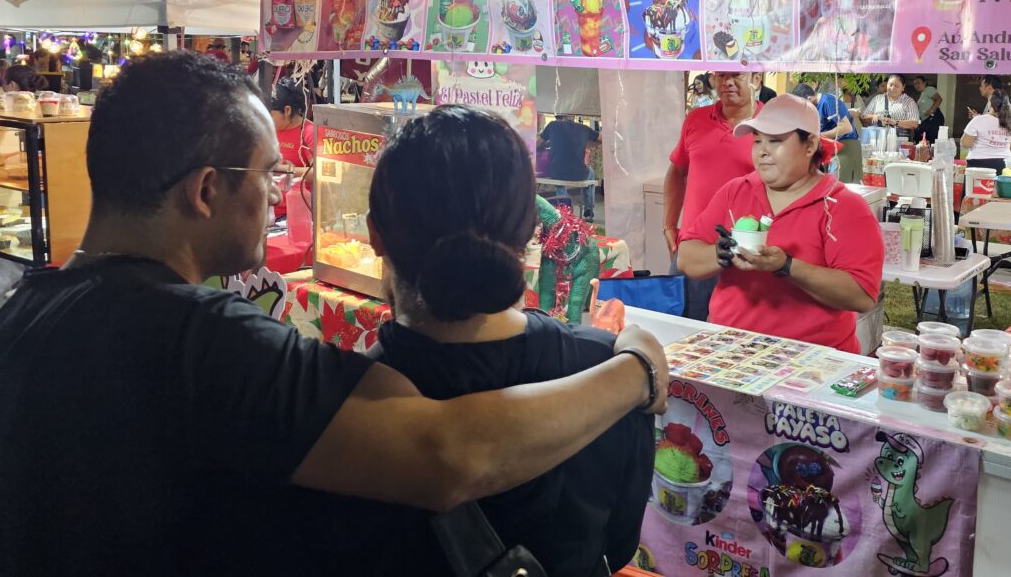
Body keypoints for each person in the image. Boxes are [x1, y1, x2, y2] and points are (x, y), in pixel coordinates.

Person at [0, 52, 669, 575]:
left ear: (377, 235)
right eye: (269, 173)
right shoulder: (203, 340)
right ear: (206, 190)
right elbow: (448, 453)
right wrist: (631, 369)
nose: (278, 191)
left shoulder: (18, 310)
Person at [340, 106, 652, 575]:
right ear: (530, 232)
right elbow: (620, 545)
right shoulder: (616, 369)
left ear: (374, 234)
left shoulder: (339, 405)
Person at [677, 95, 882, 352]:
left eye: (775, 141)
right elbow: (686, 258)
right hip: (731, 351)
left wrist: (786, 266)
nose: (762, 151)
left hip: (812, 358)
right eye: (757, 141)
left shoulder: (842, 206)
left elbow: (862, 295)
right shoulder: (735, 192)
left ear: (810, 145)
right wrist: (722, 253)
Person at [664, 71, 760, 321]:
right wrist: (669, 225)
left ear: (756, 79)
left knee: (736, 335)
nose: (728, 82)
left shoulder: (769, 127)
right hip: (693, 249)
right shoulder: (696, 119)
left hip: (743, 253)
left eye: (736, 75)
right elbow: (677, 171)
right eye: (721, 75)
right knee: (682, 328)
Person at [793, 82, 861, 184]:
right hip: (830, 148)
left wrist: (819, 135)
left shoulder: (828, 102)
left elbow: (846, 127)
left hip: (845, 147)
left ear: (808, 99)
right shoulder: (815, 107)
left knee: (838, 186)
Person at [269, 79, 316, 220]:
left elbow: (319, 172)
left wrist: (281, 169)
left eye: (271, 114)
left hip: (292, 214)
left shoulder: (309, 132)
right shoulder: (270, 130)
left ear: (287, 110)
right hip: (268, 209)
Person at [539, 114, 600, 220]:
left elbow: (537, 143)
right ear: (574, 116)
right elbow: (602, 138)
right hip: (578, 173)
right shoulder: (584, 128)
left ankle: (566, 207)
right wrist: (583, 144)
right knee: (590, 172)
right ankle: (588, 210)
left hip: (556, 173)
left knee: (559, 177)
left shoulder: (552, 125)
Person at [962, 89, 1011, 173]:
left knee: (975, 182)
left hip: (978, 164)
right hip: (1003, 166)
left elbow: (965, 143)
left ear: (990, 104)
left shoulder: (978, 120)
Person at [861, 74, 920, 142]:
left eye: (896, 86)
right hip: (879, 141)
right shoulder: (877, 99)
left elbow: (914, 123)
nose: (892, 88)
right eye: (890, 85)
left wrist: (894, 122)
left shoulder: (909, 102)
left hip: (900, 142)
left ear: (903, 87)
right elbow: (863, 117)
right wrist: (873, 116)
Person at [910, 74, 944, 144]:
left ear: (924, 83)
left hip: (933, 118)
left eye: (918, 83)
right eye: (915, 84)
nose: (917, 85)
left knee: (931, 140)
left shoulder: (929, 89)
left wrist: (931, 110)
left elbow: (939, 99)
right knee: (924, 140)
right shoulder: (922, 94)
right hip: (926, 121)